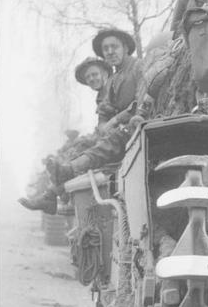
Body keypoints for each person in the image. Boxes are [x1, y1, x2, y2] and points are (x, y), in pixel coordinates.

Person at [32, 29, 145, 213]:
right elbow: (103, 117)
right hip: (117, 137)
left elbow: (141, 103)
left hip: (135, 130)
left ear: (125, 48)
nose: (109, 51)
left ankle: (58, 186)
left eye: (114, 46)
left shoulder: (138, 67)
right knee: (85, 151)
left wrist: (116, 119)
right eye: (105, 48)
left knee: (97, 147)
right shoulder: (114, 80)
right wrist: (106, 127)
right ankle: (54, 193)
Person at [18, 56, 112, 213]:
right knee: (70, 157)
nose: (91, 79)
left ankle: (54, 195)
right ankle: (53, 194)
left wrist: (96, 136)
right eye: (88, 77)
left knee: (78, 154)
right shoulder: (102, 95)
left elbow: (113, 120)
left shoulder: (113, 87)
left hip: (117, 137)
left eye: (94, 74)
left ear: (105, 73)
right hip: (108, 136)